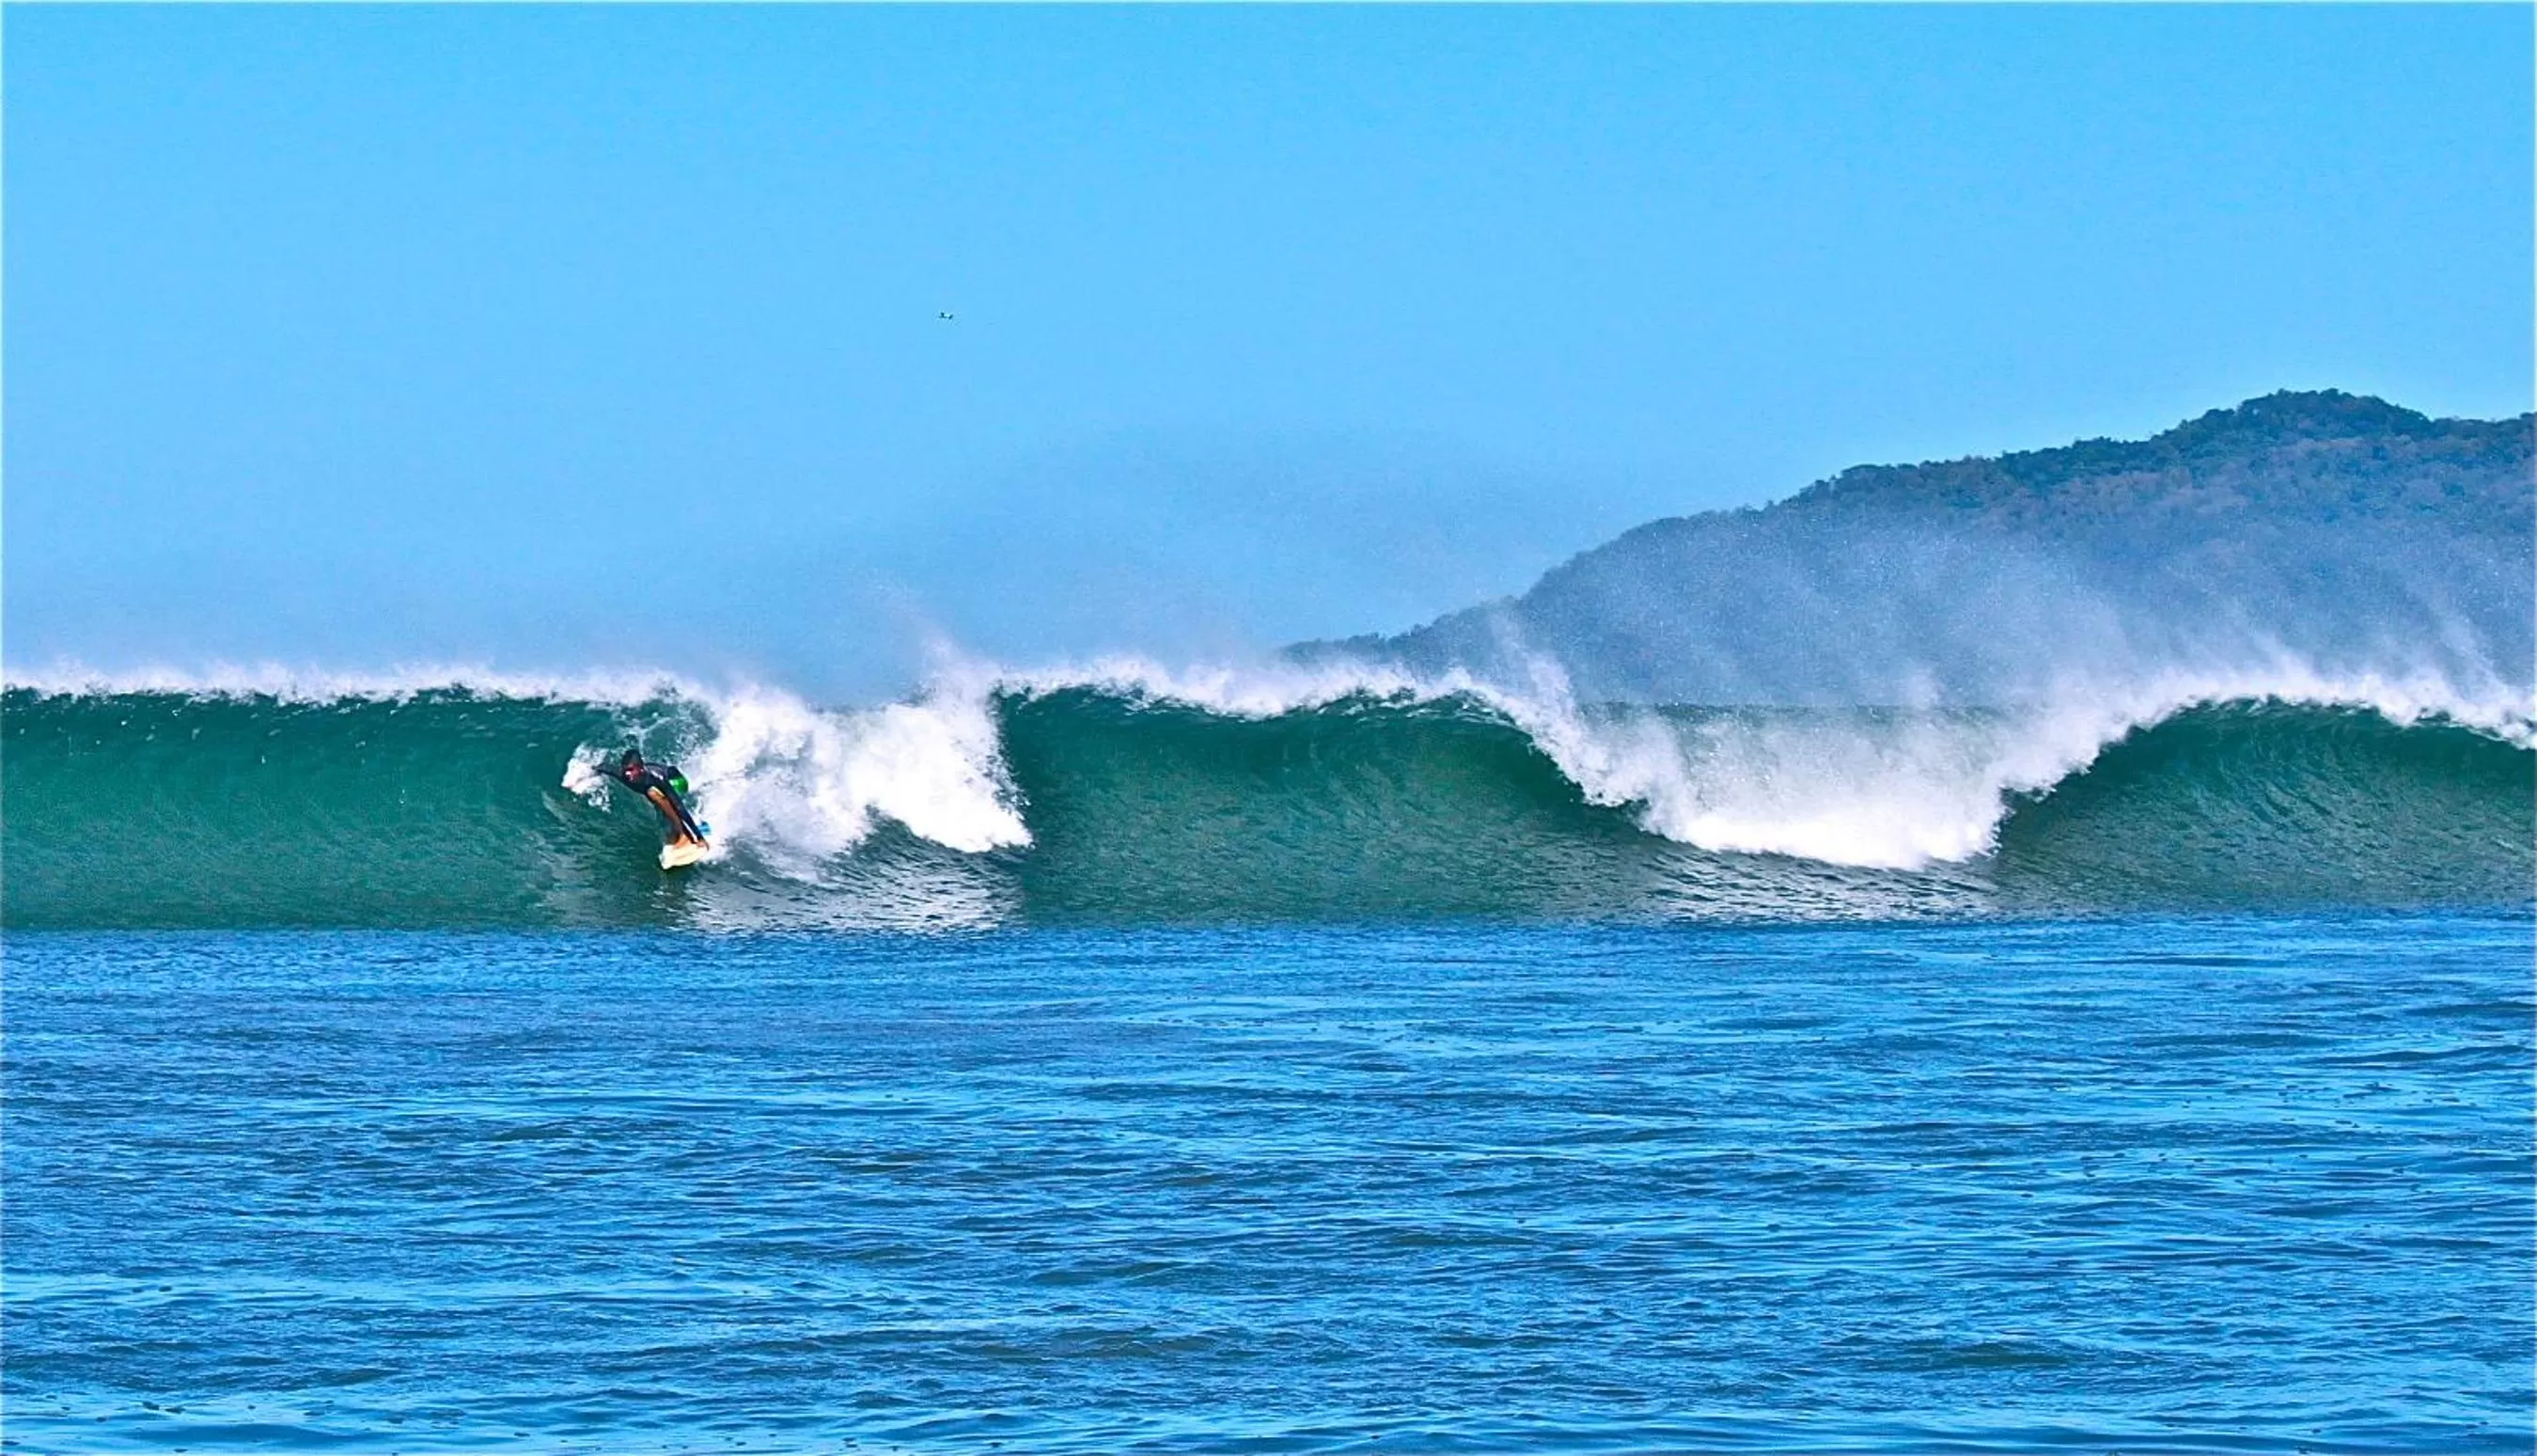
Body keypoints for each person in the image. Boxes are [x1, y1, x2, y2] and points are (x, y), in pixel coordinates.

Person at [601, 747, 707, 847]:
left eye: (631, 769)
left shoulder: (656, 777)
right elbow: (605, 767)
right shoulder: (623, 775)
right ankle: (677, 830)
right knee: (661, 810)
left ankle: (684, 834)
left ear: (640, 768)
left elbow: (679, 806)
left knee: (655, 794)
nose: (627, 773)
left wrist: (700, 837)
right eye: (625, 770)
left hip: (676, 781)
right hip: (657, 787)